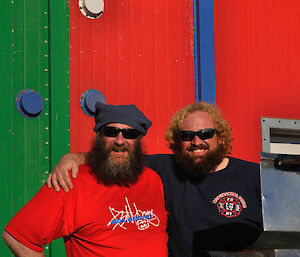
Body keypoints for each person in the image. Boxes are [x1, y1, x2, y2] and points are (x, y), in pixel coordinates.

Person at [47, 101, 262, 257]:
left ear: (221, 137)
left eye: (205, 134)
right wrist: (74, 157)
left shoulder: (255, 176)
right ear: (177, 141)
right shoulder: (165, 169)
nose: (196, 142)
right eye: (186, 136)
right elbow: (120, 156)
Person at [2, 103, 168, 257]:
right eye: (110, 132)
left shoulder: (153, 179)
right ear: (98, 136)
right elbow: (18, 237)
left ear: (138, 140)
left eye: (129, 134)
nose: (119, 140)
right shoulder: (71, 181)